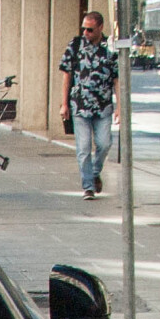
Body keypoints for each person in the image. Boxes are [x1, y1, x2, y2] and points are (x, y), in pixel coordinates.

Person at [57, 10, 118, 199]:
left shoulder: (110, 49)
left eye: (90, 30)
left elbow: (117, 79)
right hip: (80, 105)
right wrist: (64, 104)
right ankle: (88, 186)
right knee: (83, 148)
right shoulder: (75, 45)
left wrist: (121, 107)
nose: (86, 33)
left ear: (100, 28)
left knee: (104, 143)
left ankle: (94, 172)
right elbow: (66, 76)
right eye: (84, 29)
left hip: (103, 106)